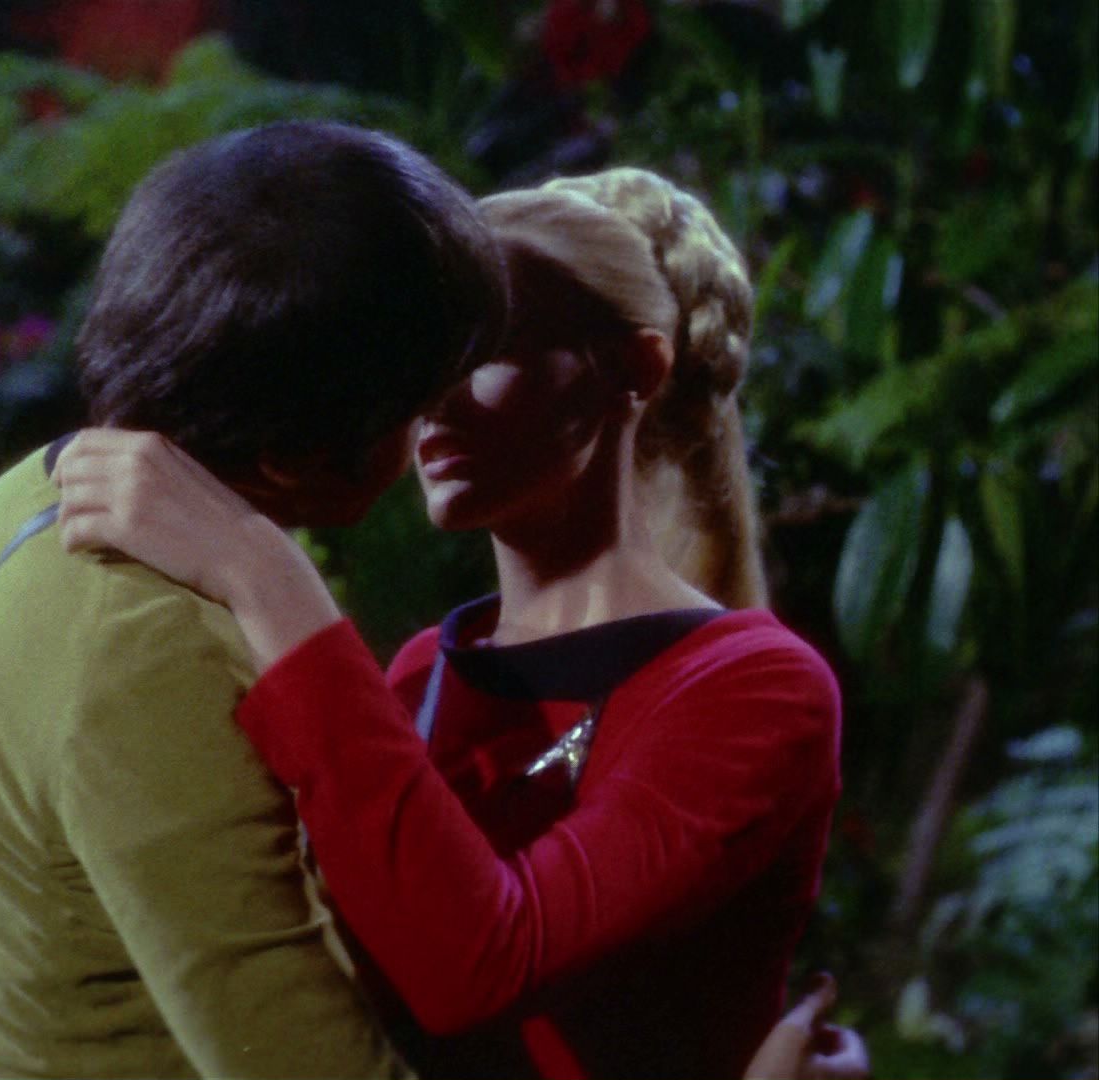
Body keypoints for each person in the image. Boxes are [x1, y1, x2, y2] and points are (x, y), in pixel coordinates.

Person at [54, 166, 846, 1079]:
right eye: (423, 364)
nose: (433, 402)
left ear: (636, 368)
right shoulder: (426, 671)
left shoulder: (754, 686)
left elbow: (484, 964)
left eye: (486, 354)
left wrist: (259, 572)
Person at [0, 119, 507, 1078]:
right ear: (294, 456)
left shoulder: (30, 494)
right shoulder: (147, 653)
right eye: (421, 404)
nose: (440, 427)